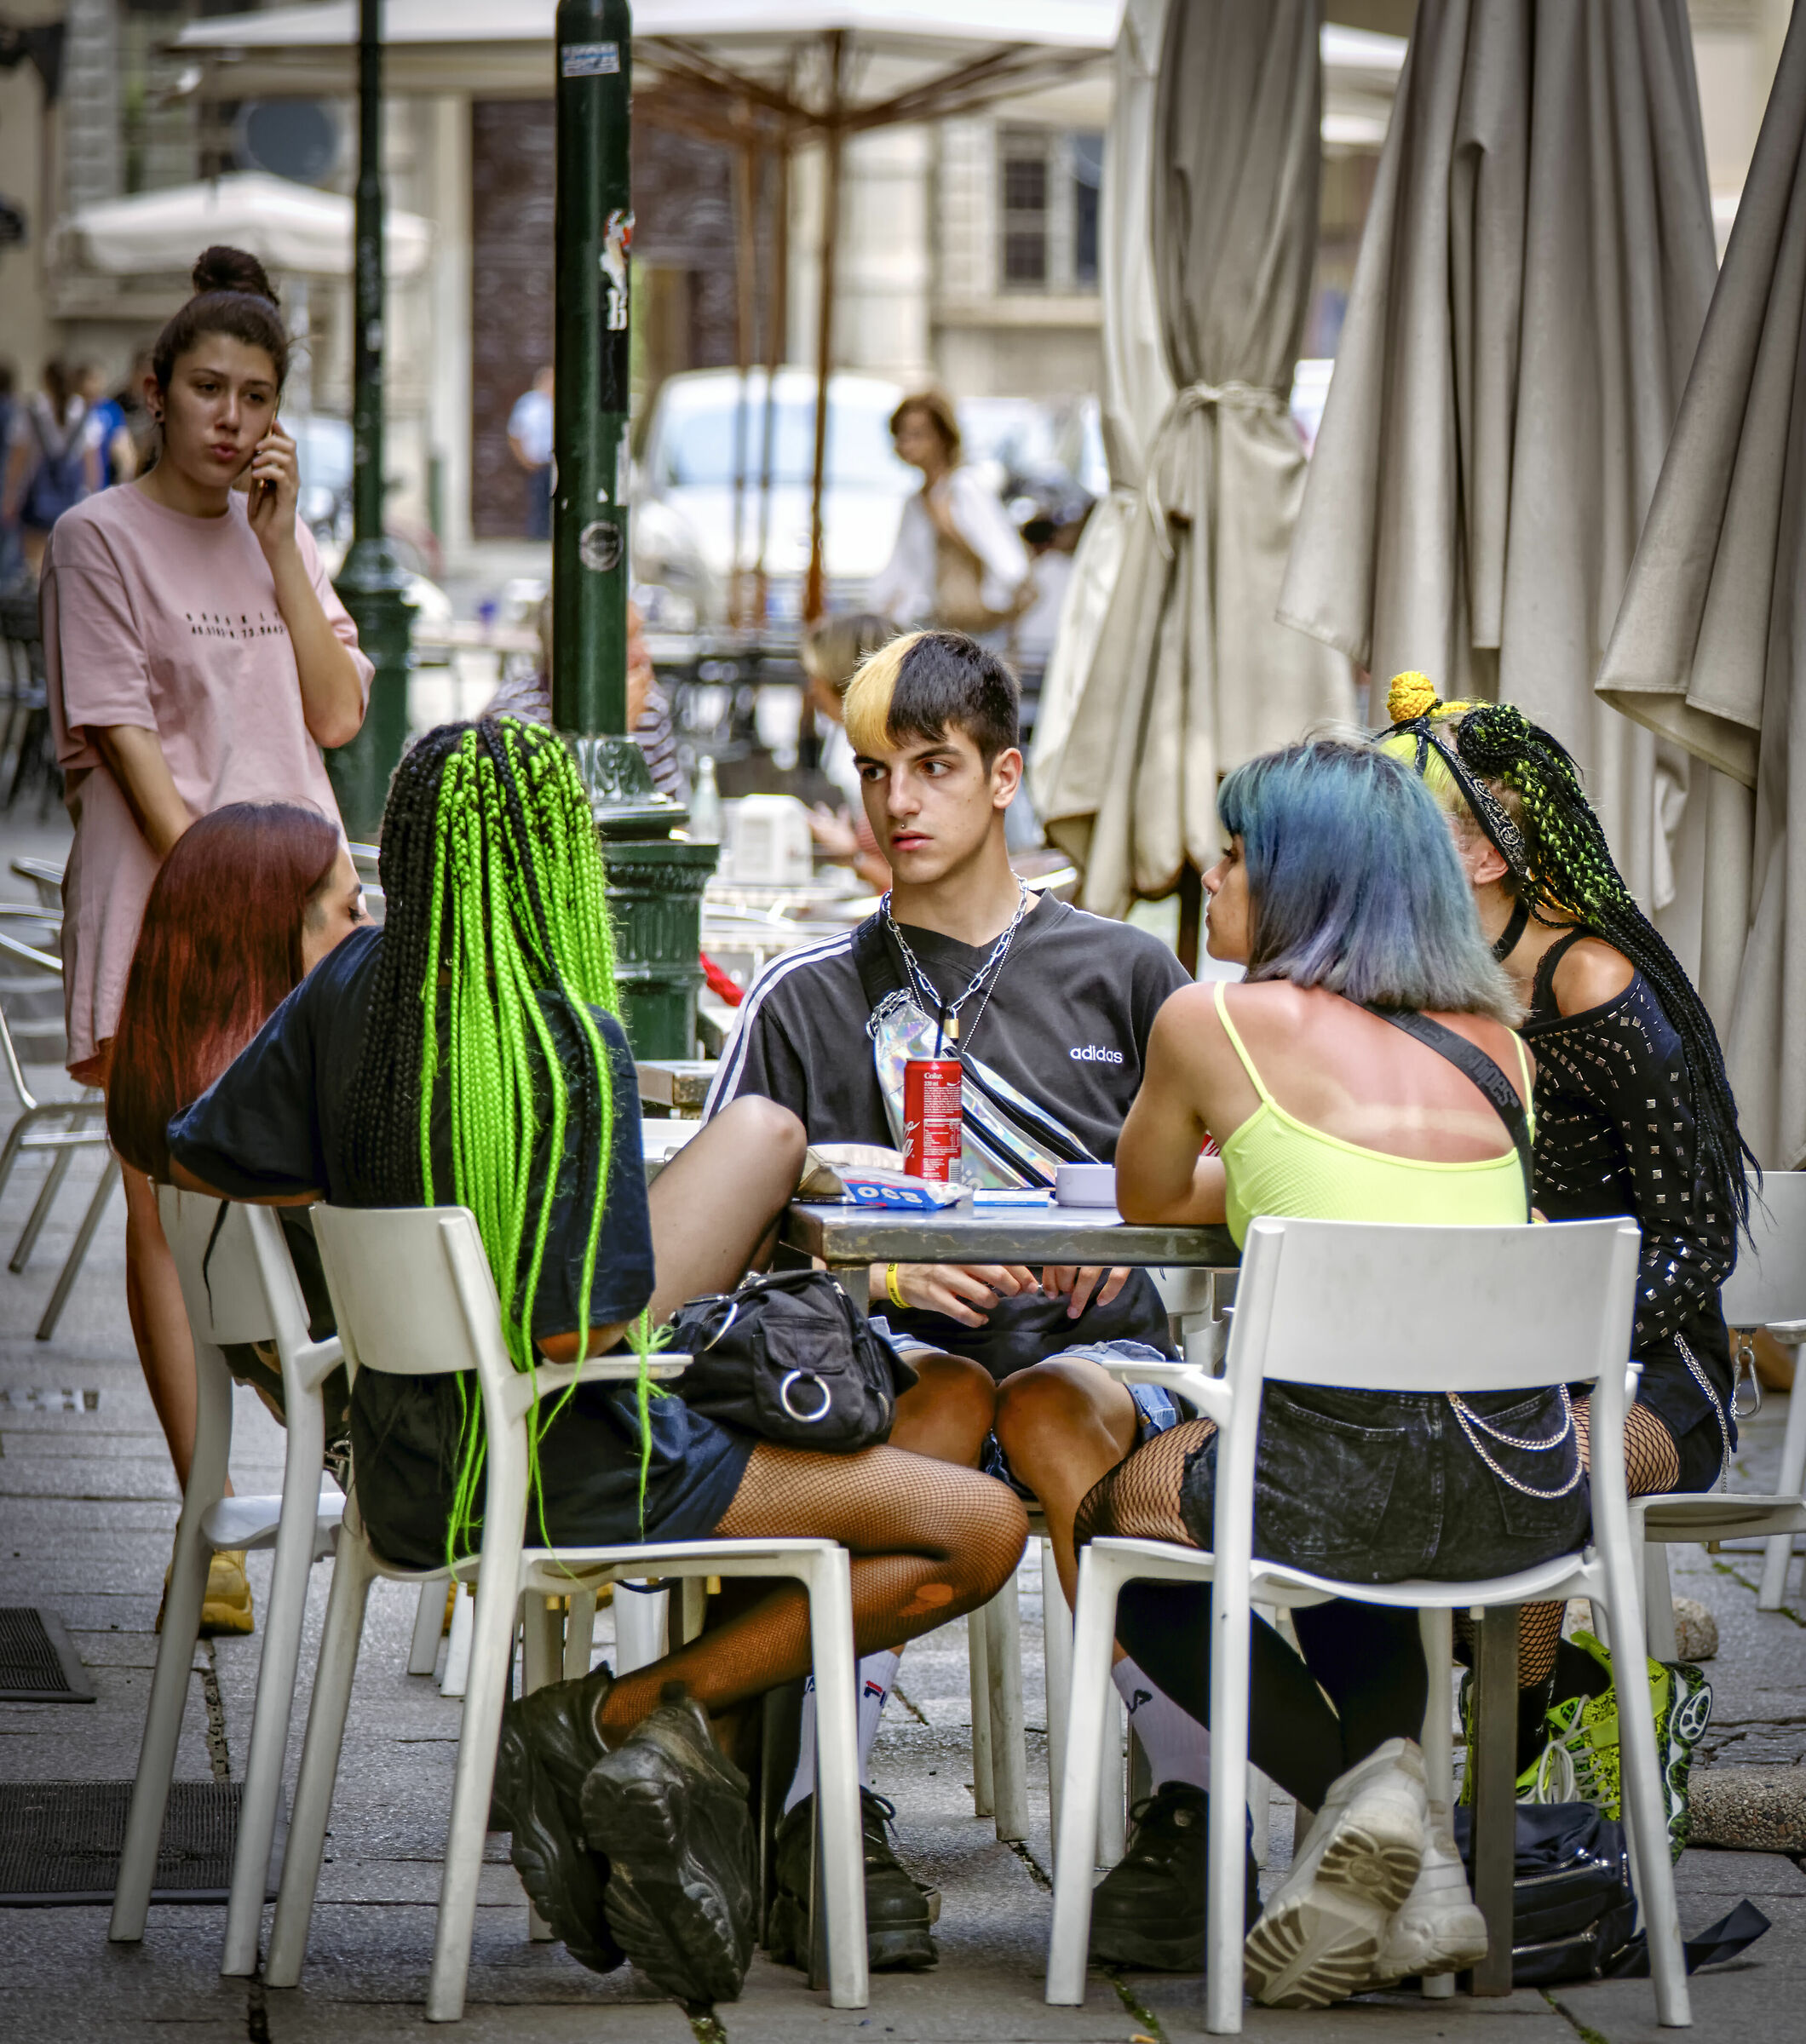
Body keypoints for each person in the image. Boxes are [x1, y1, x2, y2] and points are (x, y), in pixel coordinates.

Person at [166, 715, 1028, 2001]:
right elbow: (583, 1339)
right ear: (567, 857)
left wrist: (379, 1235)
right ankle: (617, 1719)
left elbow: (201, 1152)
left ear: (406, 848)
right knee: (979, 1524)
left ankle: (678, 1763)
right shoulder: (573, 1043)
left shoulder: (345, 991)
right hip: (575, 1463)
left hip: (406, 1463)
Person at [705, 627, 1203, 1971]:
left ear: (1004, 779)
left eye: (933, 768)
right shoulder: (804, 998)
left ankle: (1198, 1811)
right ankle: (819, 1821)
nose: (900, 804)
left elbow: (1236, 1170)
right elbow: (707, 1256)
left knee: (1046, 1404)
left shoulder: (1131, 975)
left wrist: (1136, 1225)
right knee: (939, 1403)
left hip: (1110, 1372)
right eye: (876, 774)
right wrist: (868, 1261)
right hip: (882, 1382)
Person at [1059, 734, 1579, 2006]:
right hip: (1520, 1493)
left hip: (1328, 1479)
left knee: (1105, 1524)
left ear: (1304, 881)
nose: (1214, 879)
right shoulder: (1502, 1050)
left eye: (1235, 856)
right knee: (1374, 1507)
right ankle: (1425, 1866)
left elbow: (1144, 1193)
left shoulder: (1211, 1019)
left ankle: (1387, 1801)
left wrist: (1258, 1171)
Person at [43, 244, 370, 1625]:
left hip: (300, 919)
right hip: (173, 914)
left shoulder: (275, 534)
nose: (233, 419)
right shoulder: (96, 540)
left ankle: (378, 1470)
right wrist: (249, 904)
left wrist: (287, 546)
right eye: (210, 392)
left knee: (340, 1191)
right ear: (157, 396)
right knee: (168, 1214)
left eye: (258, 395)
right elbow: (134, 756)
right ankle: (210, 1525)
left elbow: (340, 716)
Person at [1378, 674, 1732, 1817]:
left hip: (1655, 1370)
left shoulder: (1600, 983)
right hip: (1486, 1352)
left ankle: (1510, 1770)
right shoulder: (1429, 978)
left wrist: (1564, 1351)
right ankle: (1565, 1692)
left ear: (1482, 857)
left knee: (1534, 1469)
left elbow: (1700, 1238)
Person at [106, 801, 369, 1628]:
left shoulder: (203, 1141)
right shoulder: (309, 1151)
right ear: (267, 944)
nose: (366, 937)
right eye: (351, 913)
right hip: (440, 1457)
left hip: (362, 1437)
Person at [486, 593, 682, 800]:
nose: (644, 654)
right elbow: (547, 819)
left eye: (640, 635)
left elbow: (672, 811)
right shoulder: (515, 717)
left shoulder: (650, 706)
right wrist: (610, 736)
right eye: (626, 640)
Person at [869, 390, 1031, 636]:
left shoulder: (964, 487)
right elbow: (902, 570)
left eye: (917, 435)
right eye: (901, 434)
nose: (907, 443)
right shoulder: (916, 500)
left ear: (942, 438)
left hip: (976, 630)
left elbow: (1008, 564)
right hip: (933, 625)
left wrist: (949, 528)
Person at [801, 609, 894, 892]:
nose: (811, 688)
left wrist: (853, 855)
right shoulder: (868, 749)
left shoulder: (893, 761)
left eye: (816, 675)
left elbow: (925, 893)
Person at [4, 359, 98, 571]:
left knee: (35, 561)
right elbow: (92, 460)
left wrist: (10, 495)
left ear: (45, 380)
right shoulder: (82, 409)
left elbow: (18, 457)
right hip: (73, 497)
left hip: (37, 495)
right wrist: (93, 494)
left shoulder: (34, 408)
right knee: (68, 561)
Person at [508, 365, 555, 541]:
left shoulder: (557, 403)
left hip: (553, 462)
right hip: (536, 463)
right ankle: (536, 537)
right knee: (538, 501)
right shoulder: (529, 404)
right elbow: (515, 433)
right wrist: (524, 460)